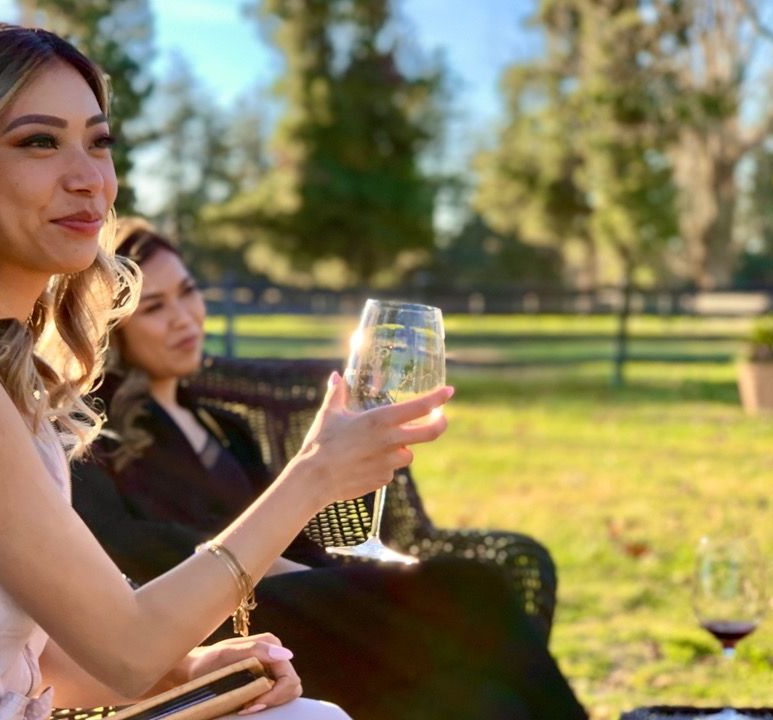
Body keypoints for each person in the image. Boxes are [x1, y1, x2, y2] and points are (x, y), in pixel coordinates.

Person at [0, 21, 454, 720]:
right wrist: (315, 478)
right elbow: (127, 648)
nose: (89, 179)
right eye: (38, 141)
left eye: (99, 142)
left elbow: (31, 662)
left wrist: (188, 668)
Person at [70, 219, 589, 720]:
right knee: (469, 585)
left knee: (486, 704)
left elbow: (298, 535)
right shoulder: (95, 434)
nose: (184, 317)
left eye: (188, 292)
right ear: (112, 325)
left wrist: (333, 568)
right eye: (155, 308)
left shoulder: (227, 426)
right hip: (237, 627)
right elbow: (134, 545)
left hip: (313, 601)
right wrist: (290, 569)